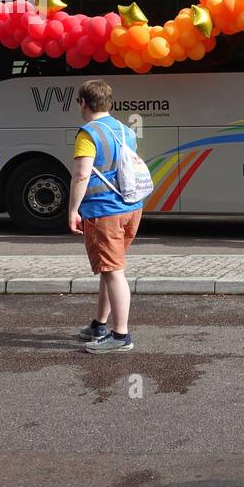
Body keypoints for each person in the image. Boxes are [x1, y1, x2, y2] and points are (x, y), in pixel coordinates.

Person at [68, 79, 144, 354]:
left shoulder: (88, 134)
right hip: (130, 208)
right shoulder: (125, 130)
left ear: (83, 103)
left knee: (114, 272)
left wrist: (73, 210)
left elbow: (81, 175)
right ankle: (99, 325)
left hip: (105, 211)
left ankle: (121, 335)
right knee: (109, 269)